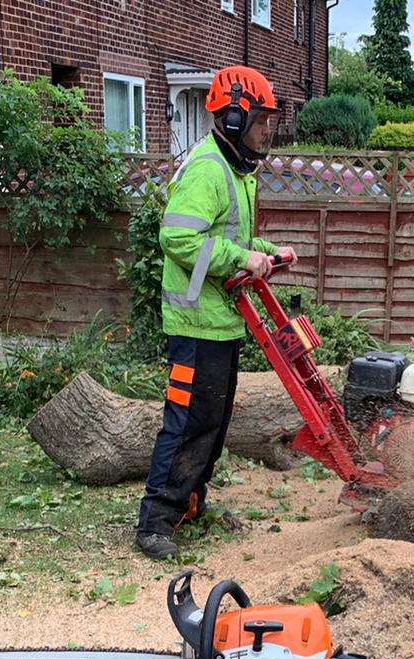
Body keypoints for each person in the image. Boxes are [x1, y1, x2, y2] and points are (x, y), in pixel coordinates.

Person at [134, 66, 295, 560]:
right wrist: (240, 258)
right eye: (261, 119)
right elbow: (178, 238)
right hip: (195, 321)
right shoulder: (208, 169)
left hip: (221, 321)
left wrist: (265, 252)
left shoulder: (237, 171)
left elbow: (230, 240)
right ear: (233, 119)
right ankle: (154, 522)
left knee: (214, 422)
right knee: (187, 422)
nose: (267, 129)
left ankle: (190, 504)